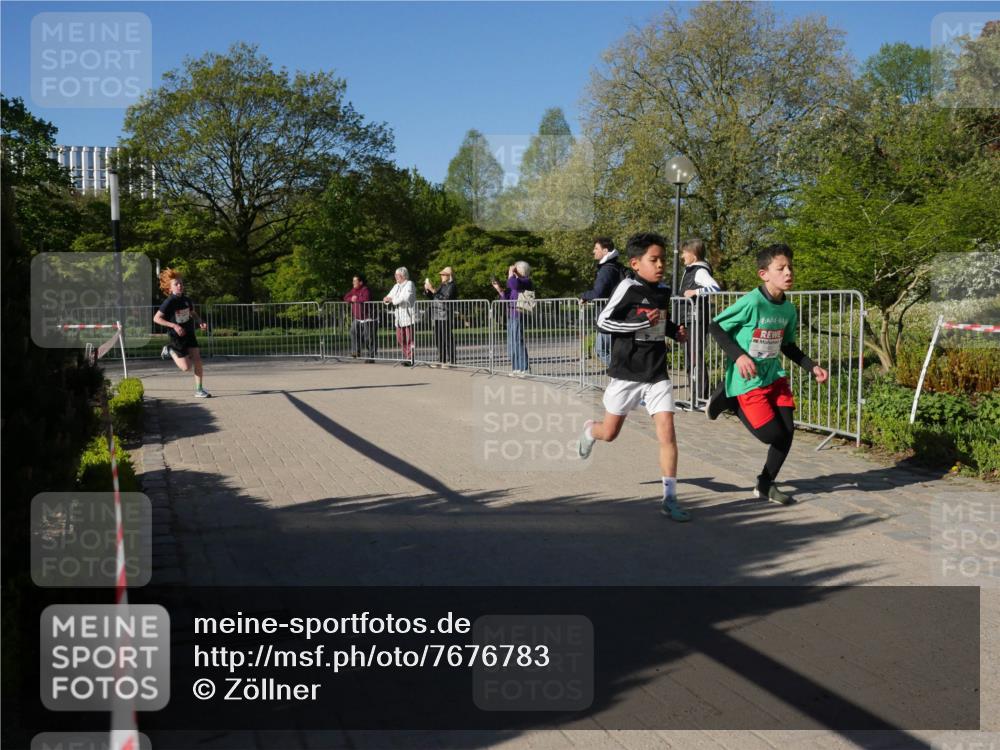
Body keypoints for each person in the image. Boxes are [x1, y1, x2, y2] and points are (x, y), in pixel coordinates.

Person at [576, 233, 690, 522]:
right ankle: (590, 431)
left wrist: (674, 332)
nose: (661, 265)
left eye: (663, 260)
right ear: (636, 263)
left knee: (667, 433)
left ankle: (670, 498)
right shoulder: (627, 287)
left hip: (656, 372)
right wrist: (639, 322)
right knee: (609, 433)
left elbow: (659, 321)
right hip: (628, 372)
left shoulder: (663, 290)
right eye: (654, 260)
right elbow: (603, 321)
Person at [705, 243, 829, 505]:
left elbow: (787, 345)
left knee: (788, 432)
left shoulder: (788, 309)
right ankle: (730, 399)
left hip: (774, 376)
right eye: (781, 268)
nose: (788, 272)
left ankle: (765, 484)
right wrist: (739, 356)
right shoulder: (752, 302)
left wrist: (811, 366)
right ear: (764, 274)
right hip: (749, 381)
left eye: (790, 267)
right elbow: (715, 326)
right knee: (771, 436)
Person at [153, 268, 211, 398]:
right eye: (176, 284)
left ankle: (199, 390)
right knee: (186, 368)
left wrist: (200, 321)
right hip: (177, 337)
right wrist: (174, 325)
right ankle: (169, 349)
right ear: (170, 288)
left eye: (181, 283)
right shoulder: (169, 302)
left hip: (189, 334)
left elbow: (192, 313)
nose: (180, 286)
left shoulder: (187, 300)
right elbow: (156, 318)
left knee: (198, 360)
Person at [678, 238, 722, 401]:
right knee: (691, 357)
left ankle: (700, 396)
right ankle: (695, 396)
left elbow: (715, 288)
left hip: (696, 319)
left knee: (695, 357)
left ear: (693, 254)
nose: (682, 256)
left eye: (684, 253)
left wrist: (695, 292)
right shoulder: (691, 270)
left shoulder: (699, 271)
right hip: (690, 319)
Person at [580, 236, 625, 368]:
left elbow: (598, 293)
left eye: (596, 248)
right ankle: (621, 375)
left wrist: (583, 295)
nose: (593, 251)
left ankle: (624, 374)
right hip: (615, 314)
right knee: (609, 350)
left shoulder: (606, 269)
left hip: (608, 316)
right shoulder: (616, 266)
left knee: (601, 350)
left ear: (605, 251)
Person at [491, 260, 533, 377]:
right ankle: (516, 368)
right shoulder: (515, 282)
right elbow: (506, 298)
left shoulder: (526, 281)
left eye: (516, 269)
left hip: (519, 313)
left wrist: (511, 273)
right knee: (512, 342)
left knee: (518, 340)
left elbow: (513, 284)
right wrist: (499, 289)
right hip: (511, 314)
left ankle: (525, 368)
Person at [424, 266, 458, 367]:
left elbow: (446, 298)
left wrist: (433, 290)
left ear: (449, 276)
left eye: (444, 274)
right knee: (438, 338)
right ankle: (441, 359)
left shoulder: (452, 286)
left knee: (447, 337)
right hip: (437, 314)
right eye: (441, 274)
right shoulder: (442, 285)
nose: (441, 276)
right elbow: (433, 297)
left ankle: (452, 361)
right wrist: (427, 290)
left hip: (445, 314)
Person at [383, 267, 416, 365]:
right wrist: (387, 299)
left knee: (410, 338)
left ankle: (410, 358)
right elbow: (388, 296)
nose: (396, 277)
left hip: (408, 315)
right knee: (400, 338)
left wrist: (393, 300)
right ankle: (406, 356)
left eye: (397, 275)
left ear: (403, 275)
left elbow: (405, 298)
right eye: (395, 275)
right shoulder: (396, 286)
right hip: (399, 317)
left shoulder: (409, 284)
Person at [344, 274, 377, 362]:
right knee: (353, 332)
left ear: (361, 282)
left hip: (368, 317)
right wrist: (351, 299)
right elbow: (346, 297)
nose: (353, 282)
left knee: (368, 337)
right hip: (358, 318)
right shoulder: (353, 290)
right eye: (353, 281)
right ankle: (356, 351)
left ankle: (371, 357)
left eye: (355, 281)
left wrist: (356, 298)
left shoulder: (365, 289)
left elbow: (366, 298)